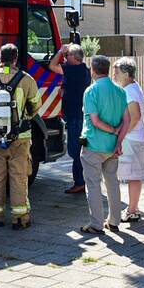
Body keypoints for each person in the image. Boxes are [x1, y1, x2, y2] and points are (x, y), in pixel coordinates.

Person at [0, 43, 42, 228]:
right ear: (16, 59)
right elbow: (36, 106)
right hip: (20, 138)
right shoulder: (27, 79)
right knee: (19, 177)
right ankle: (20, 218)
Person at [79, 55, 131, 234]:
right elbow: (127, 119)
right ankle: (114, 221)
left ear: (93, 70)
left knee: (93, 184)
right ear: (107, 69)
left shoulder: (90, 91)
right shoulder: (120, 91)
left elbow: (94, 120)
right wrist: (118, 141)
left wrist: (112, 130)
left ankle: (96, 224)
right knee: (112, 182)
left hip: (93, 145)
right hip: (112, 148)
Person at [49, 43, 91, 194]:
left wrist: (60, 50)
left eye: (67, 56)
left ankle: (79, 182)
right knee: (80, 149)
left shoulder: (73, 69)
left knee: (75, 151)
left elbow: (52, 65)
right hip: (80, 114)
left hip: (75, 116)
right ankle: (83, 180)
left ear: (73, 57)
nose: (64, 59)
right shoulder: (84, 69)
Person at [111, 57, 144, 221]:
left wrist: (121, 135)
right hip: (136, 138)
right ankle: (134, 207)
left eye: (116, 71)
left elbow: (135, 117)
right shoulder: (134, 87)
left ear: (126, 73)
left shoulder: (128, 91)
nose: (114, 74)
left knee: (132, 175)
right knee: (135, 175)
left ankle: (132, 211)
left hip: (131, 140)